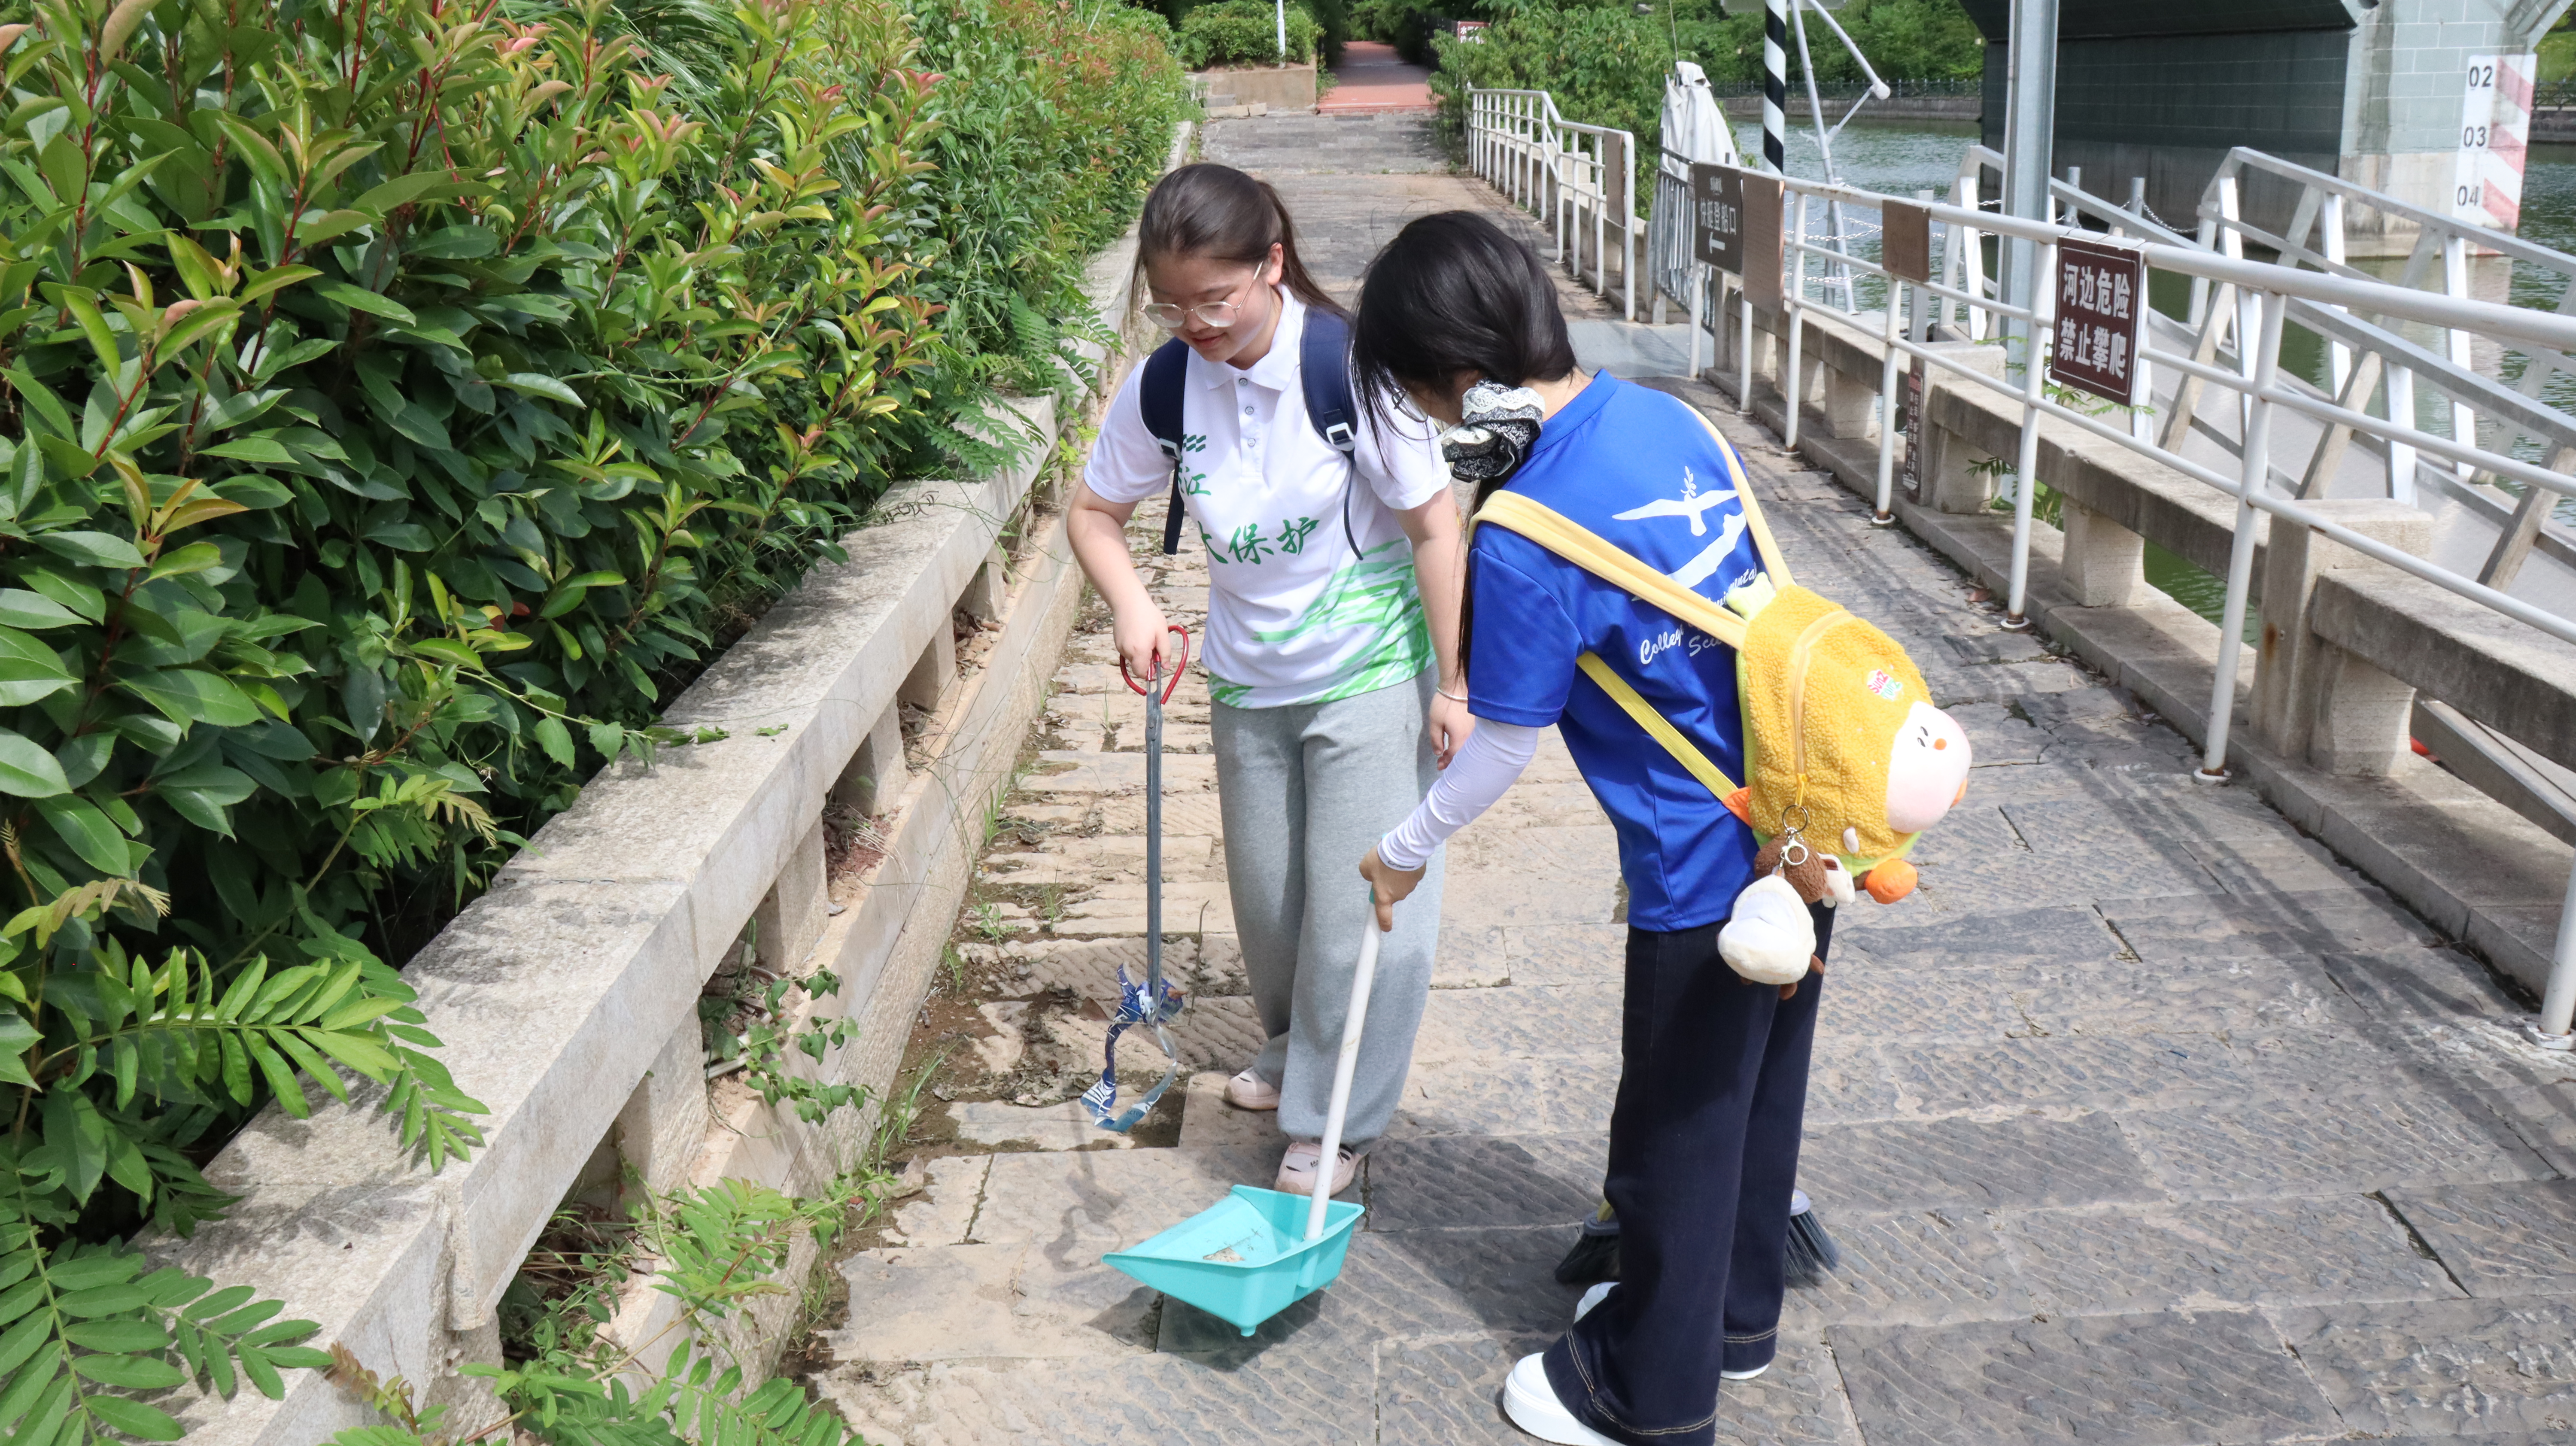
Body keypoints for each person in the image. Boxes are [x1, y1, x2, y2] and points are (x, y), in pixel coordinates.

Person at [1351, 210, 1835, 1446]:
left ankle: (1648, 1390)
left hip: (1697, 865)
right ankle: (1735, 1319)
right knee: (1753, 1094)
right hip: (1804, 824)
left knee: (1680, 1120)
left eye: (1414, 389)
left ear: (1454, 377)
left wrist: (1401, 849)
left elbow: (1502, 744)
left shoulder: (1520, 534)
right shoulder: (1667, 417)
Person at [1067, 164, 1470, 1198]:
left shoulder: (1349, 367)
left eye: (1217, 299)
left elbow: (1435, 525)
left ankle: (1338, 1117)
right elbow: (1093, 513)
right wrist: (1134, 607)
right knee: (1275, 908)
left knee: (1365, 908)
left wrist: (1455, 683)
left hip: (1370, 672)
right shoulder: (1167, 382)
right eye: (1173, 306)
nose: (1196, 323)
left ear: (1273, 265)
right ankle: (1300, 1048)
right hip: (1249, 681)